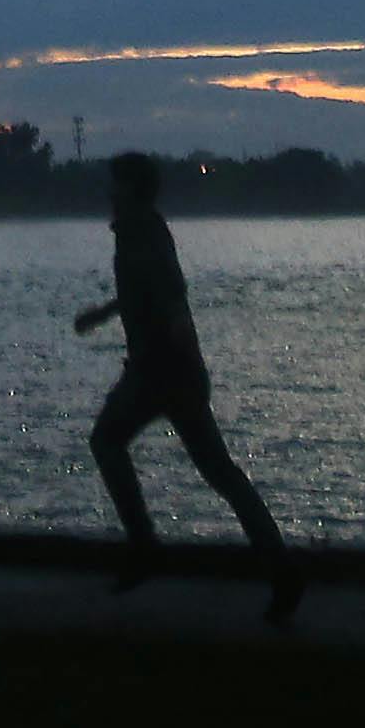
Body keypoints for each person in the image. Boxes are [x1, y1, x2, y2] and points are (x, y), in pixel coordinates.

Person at [71, 150, 303, 621]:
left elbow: (171, 291)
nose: (107, 192)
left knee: (112, 442)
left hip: (164, 372)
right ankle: (280, 573)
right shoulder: (137, 231)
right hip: (161, 369)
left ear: (132, 189)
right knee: (217, 472)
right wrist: (107, 313)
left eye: (115, 184)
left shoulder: (145, 232)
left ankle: (146, 547)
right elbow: (147, 288)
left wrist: (177, 346)